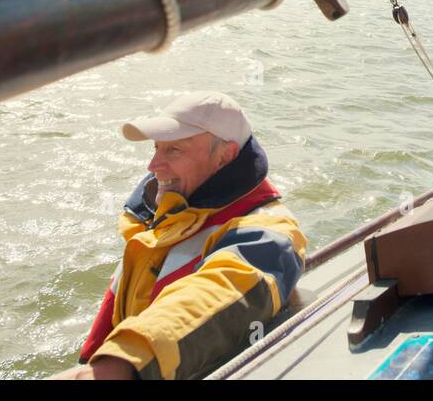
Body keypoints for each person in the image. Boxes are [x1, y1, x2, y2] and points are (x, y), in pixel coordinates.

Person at [57, 91, 306, 379]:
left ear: (225, 157)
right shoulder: (161, 214)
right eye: (156, 148)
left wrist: (119, 365)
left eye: (174, 150)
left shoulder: (269, 229)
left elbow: (217, 293)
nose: (153, 166)